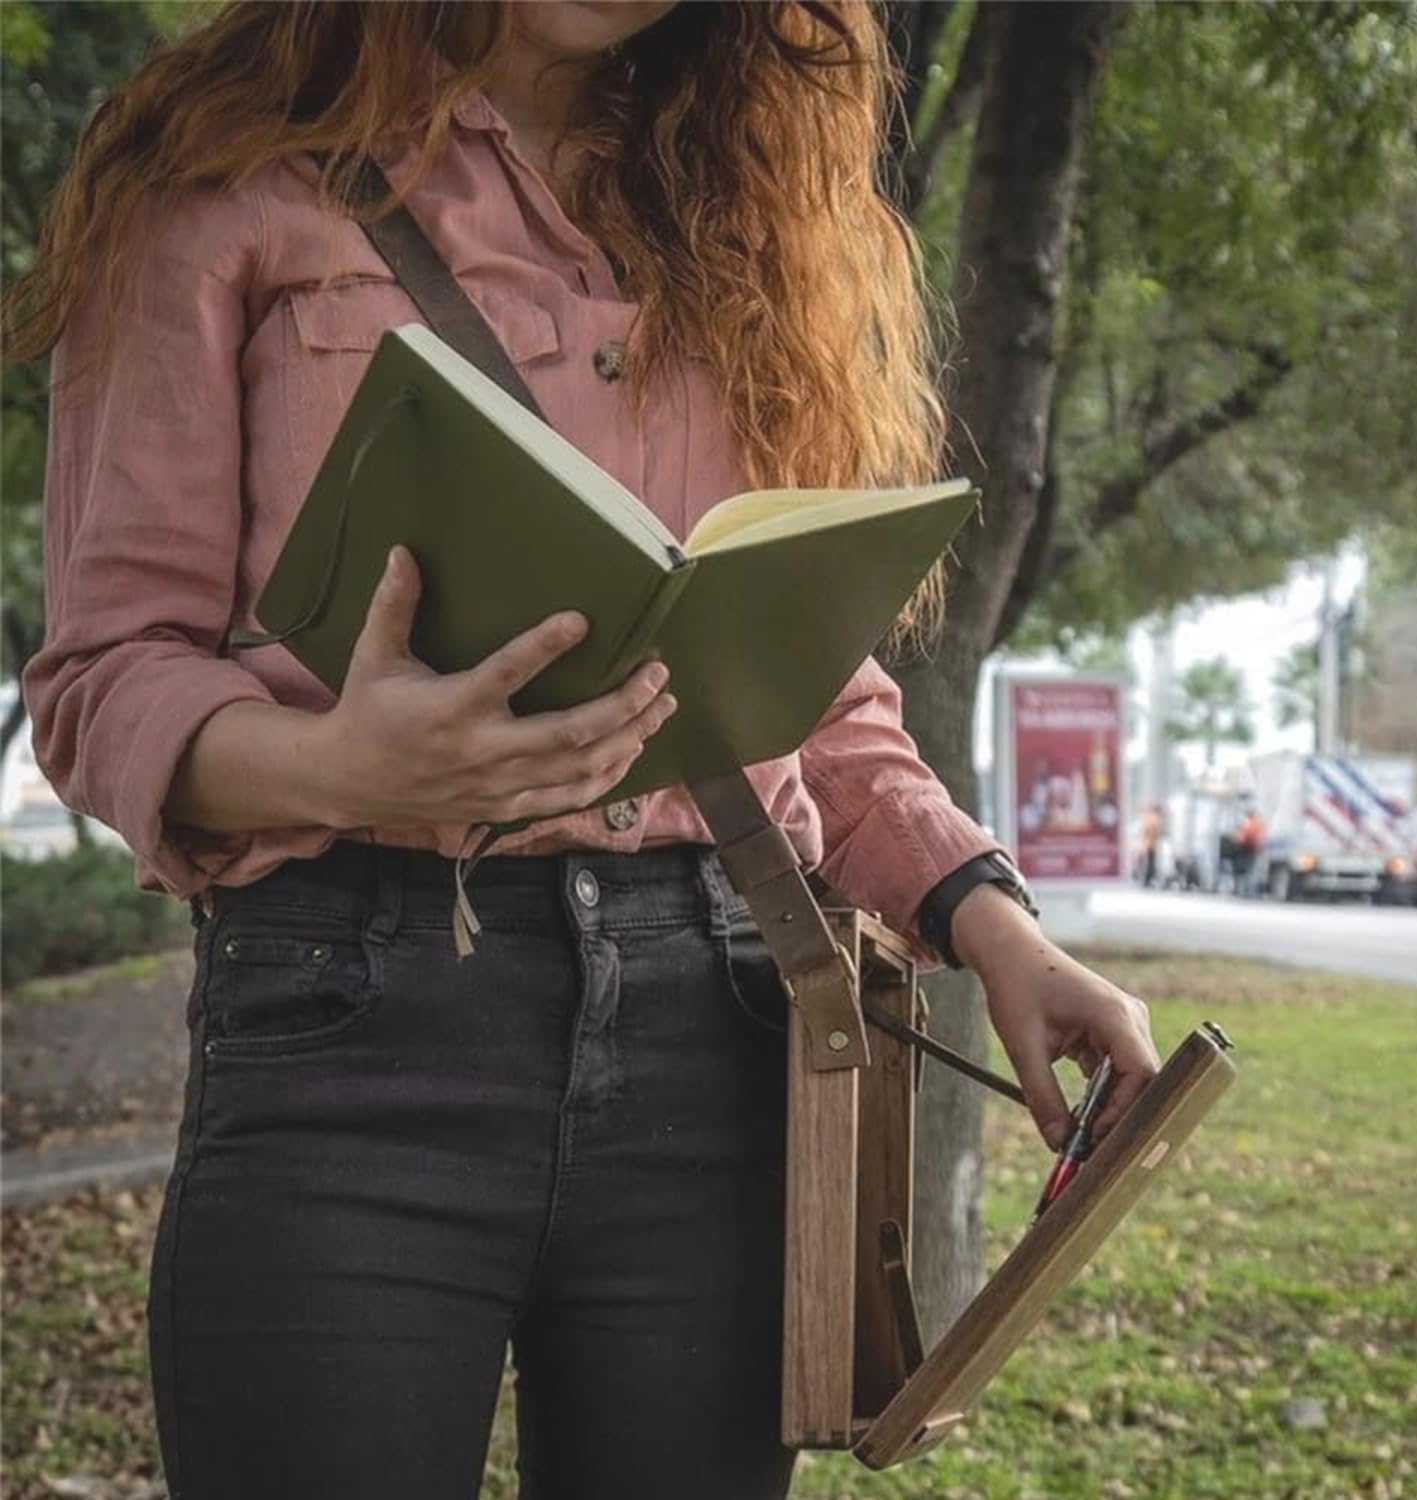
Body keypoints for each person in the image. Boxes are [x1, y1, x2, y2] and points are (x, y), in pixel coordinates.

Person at [6, 5, 1159, 1498]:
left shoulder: (740, 211)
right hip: (353, 1017)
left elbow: (802, 696)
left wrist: (993, 921)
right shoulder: (215, 174)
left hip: (719, 1028)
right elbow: (104, 676)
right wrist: (345, 768)